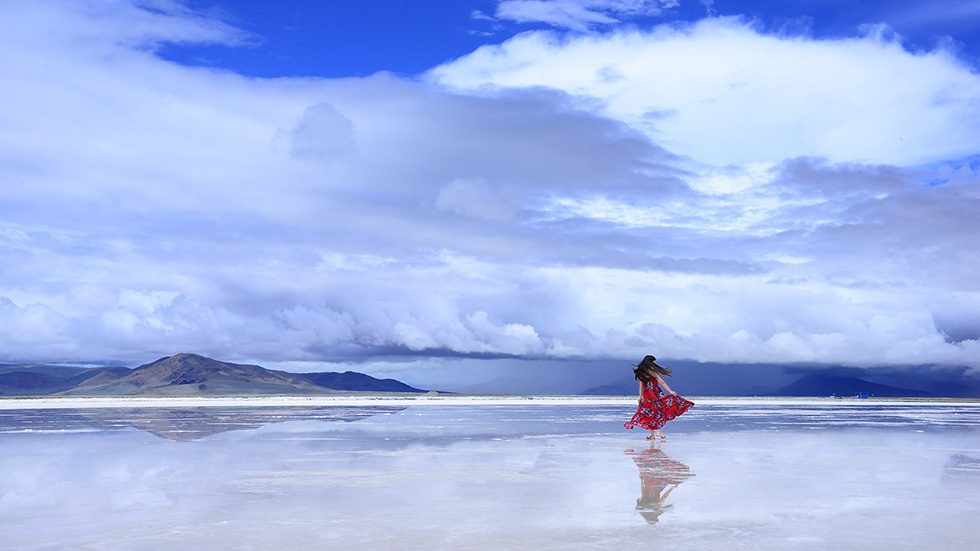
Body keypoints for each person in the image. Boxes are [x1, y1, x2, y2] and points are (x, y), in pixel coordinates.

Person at [624, 355, 694, 439]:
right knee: (659, 411)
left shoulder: (641, 372)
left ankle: (653, 435)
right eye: (654, 362)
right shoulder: (652, 372)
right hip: (655, 393)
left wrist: (640, 397)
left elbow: (641, 386)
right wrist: (670, 391)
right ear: (651, 362)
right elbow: (662, 382)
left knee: (649, 413)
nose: (655, 363)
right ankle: (658, 432)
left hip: (647, 395)